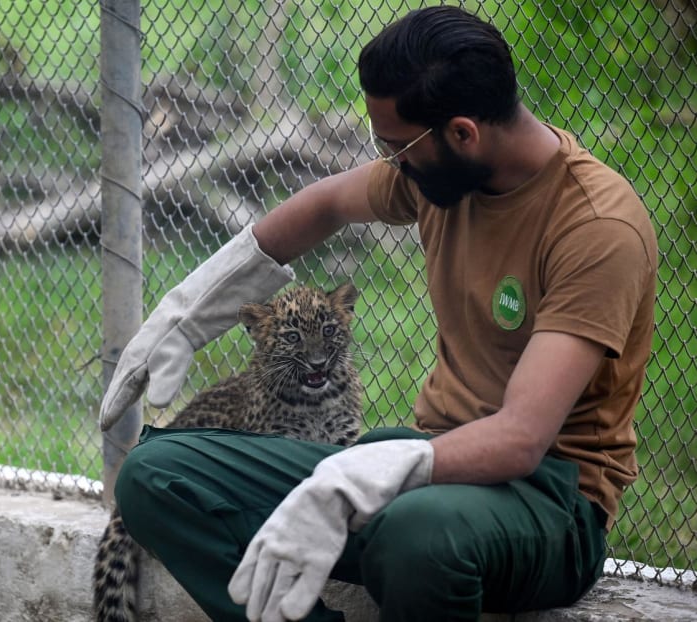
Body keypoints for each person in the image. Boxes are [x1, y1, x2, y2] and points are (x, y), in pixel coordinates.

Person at [100, 6, 658, 621]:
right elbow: (325, 204)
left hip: (547, 502)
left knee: (415, 534)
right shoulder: (436, 172)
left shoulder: (596, 227)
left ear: (463, 133)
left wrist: (366, 474)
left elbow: (522, 439)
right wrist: (192, 306)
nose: (387, 161)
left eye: (395, 145)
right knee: (155, 476)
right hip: (426, 459)